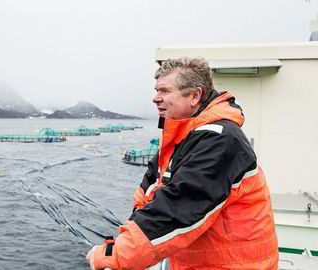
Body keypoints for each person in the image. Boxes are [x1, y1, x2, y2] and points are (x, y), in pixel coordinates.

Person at [86, 57, 278, 269]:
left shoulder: (221, 140)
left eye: (165, 91)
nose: (155, 98)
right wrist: (127, 235)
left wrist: (112, 255)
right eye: (157, 90)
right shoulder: (184, 136)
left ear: (195, 96)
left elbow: (178, 209)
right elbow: (151, 188)